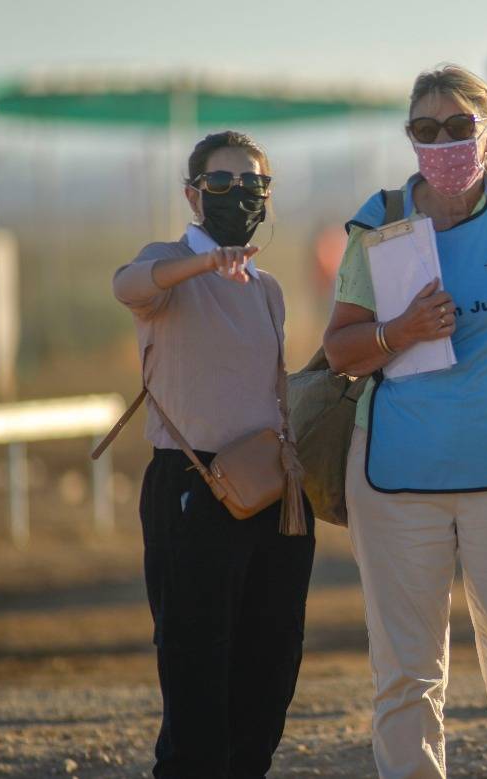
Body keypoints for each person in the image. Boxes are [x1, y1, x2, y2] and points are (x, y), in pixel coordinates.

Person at [323, 64, 487, 779]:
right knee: (405, 679)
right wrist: (398, 331)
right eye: (425, 130)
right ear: (410, 139)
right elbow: (338, 351)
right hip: (400, 482)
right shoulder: (380, 220)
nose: (443, 143)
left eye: (459, 126)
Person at [112, 130, 315, 777]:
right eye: (222, 183)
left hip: (271, 490)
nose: (239, 195)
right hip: (192, 484)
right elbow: (128, 284)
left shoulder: (268, 288)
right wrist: (202, 264)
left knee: (271, 657)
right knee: (196, 663)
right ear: (193, 194)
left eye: (253, 184)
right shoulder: (169, 266)